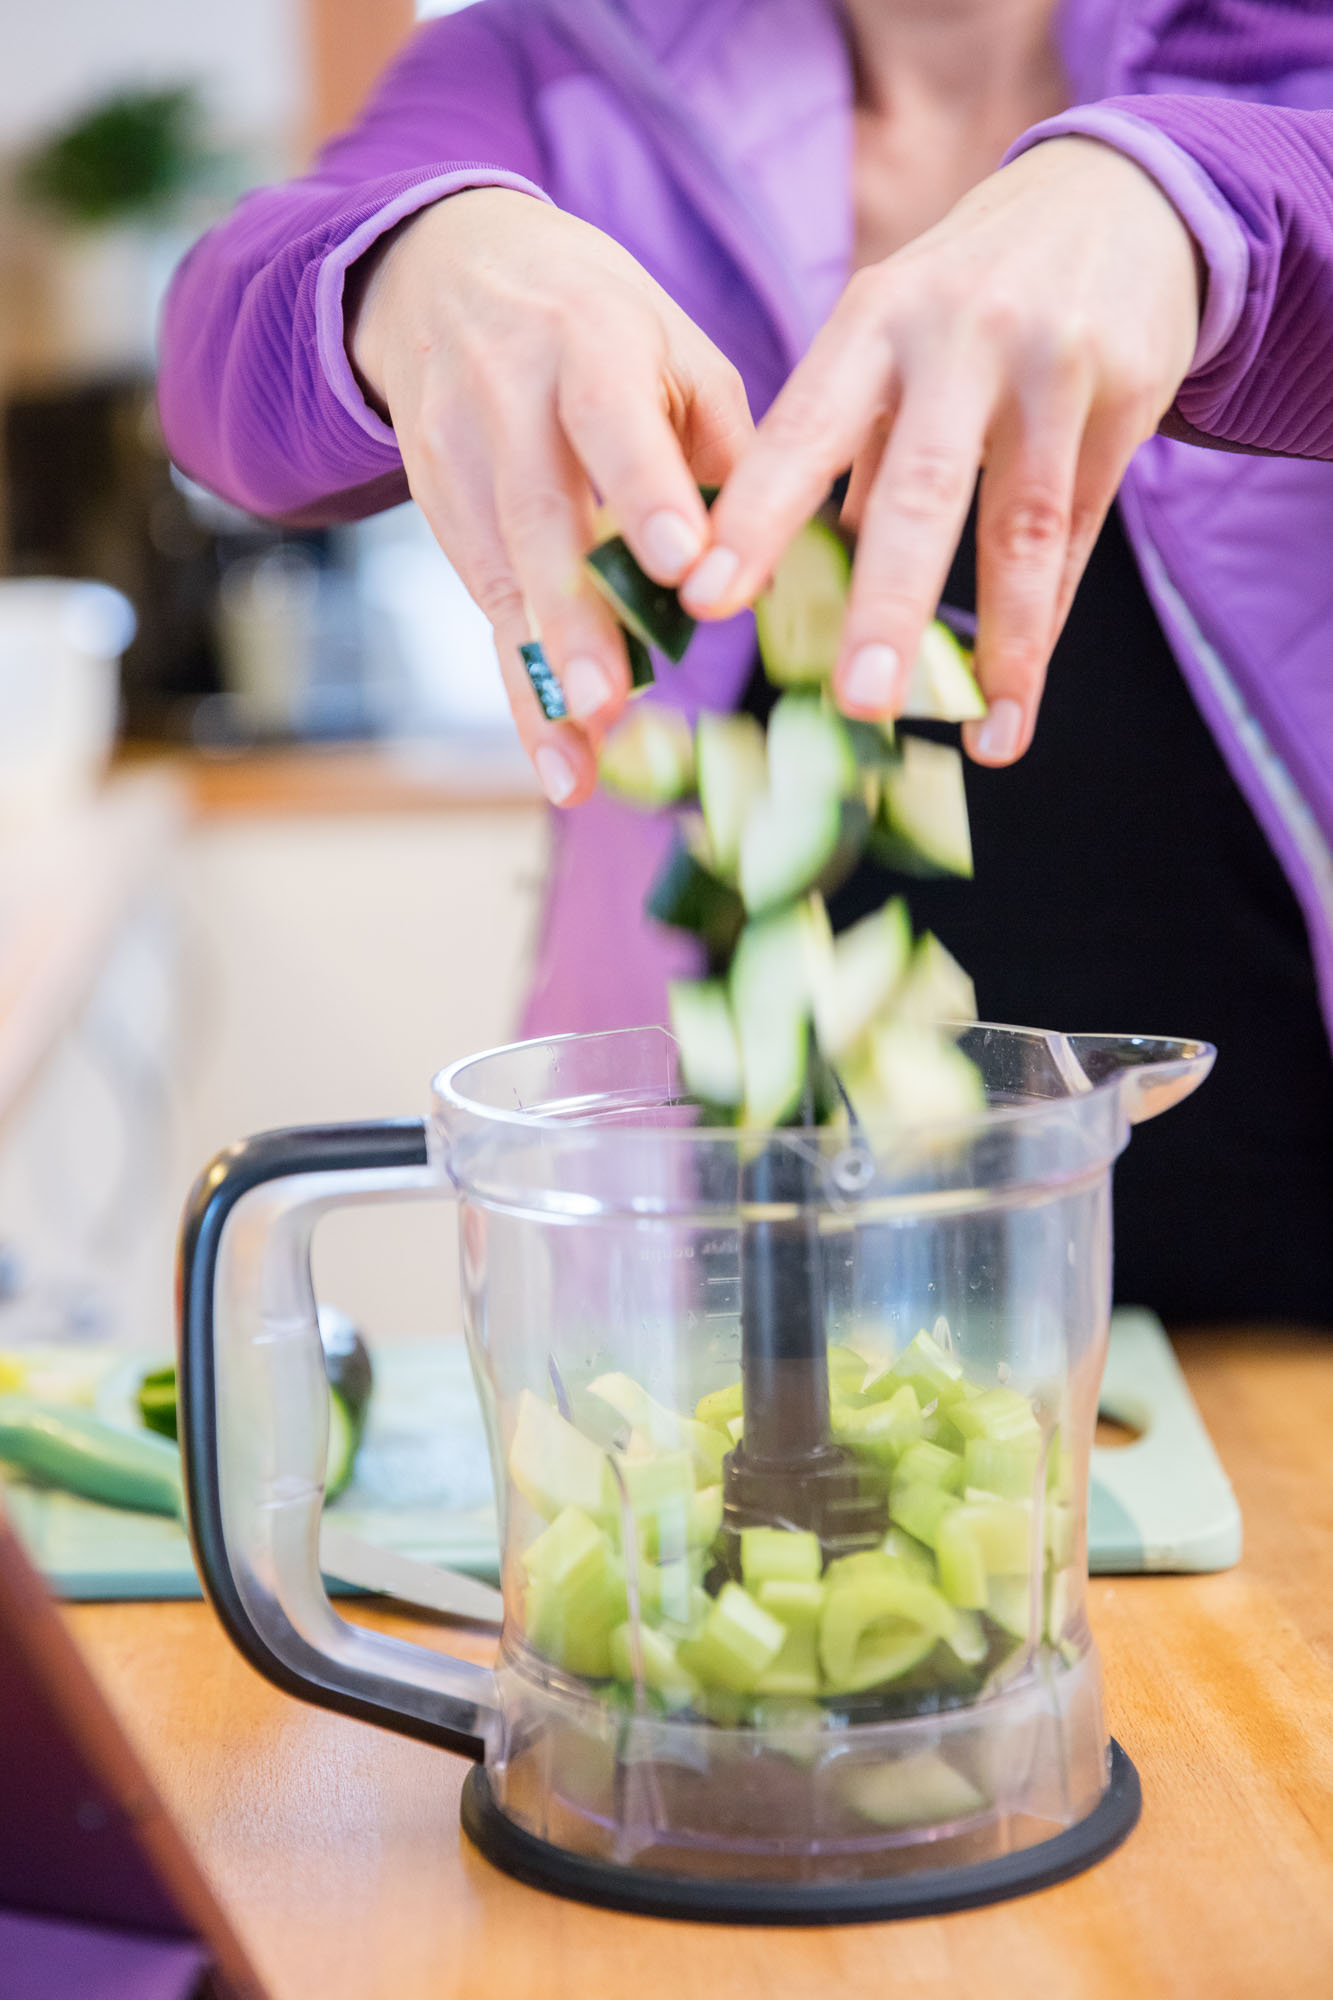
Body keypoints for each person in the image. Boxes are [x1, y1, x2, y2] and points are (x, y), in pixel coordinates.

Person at [157, 0, 1333, 1324]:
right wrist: (413, 259)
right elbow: (211, 370)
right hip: (723, 1305)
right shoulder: (553, 63)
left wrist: (1198, 202)